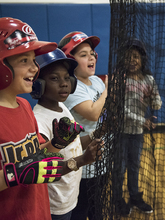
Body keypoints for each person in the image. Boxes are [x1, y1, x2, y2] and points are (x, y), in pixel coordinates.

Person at [0, 17, 84, 220]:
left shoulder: (23, 106)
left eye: (33, 60)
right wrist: (13, 174)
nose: (35, 68)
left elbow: (33, 158)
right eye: (24, 61)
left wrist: (55, 144)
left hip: (36, 211)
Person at [31, 48, 103, 220]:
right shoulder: (39, 119)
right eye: (55, 78)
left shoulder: (61, 107)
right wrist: (83, 160)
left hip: (69, 195)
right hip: (55, 205)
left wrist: (98, 133)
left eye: (66, 78)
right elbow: (41, 161)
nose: (64, 83)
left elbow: (74, 144)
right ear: (37, 84)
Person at [58, 31, 108, 220]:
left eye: (92, 53)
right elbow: (94, 112)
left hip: (101, 158)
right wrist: (109, 89)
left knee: (99, 208)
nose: (91, 57)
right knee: (81, 211)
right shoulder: (72, 87)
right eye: (83, 54)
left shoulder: (95, 81)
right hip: (83, 164)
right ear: (70, 62)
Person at [112, 38, 162, 216]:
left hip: (137, 134)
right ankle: (117, 199)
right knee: (120, 167)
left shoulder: (148, 79)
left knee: (134, 166)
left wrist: (152, 97)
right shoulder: (121, 79)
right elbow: (121, 110)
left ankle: (134, 196)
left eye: (135, 57)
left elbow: (157, 104)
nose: (131, 60)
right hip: (121, 132)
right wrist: (142, 121)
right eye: (127, 57)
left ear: (142, 59)